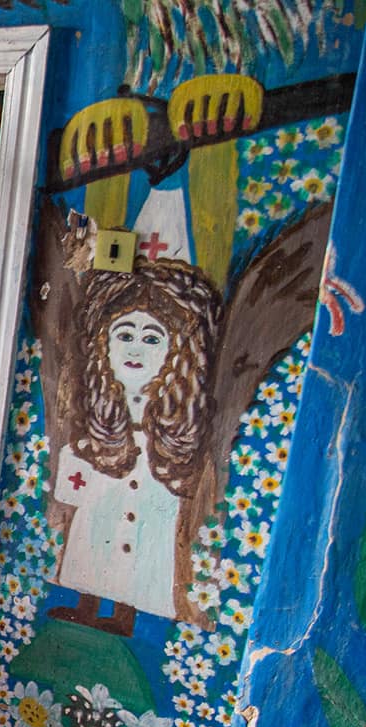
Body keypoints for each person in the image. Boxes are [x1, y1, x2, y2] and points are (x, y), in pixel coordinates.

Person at [49, 258, 222, 633]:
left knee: (141, 551)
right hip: (105, 479)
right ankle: (86, 604)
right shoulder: (100, 410)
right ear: (104, 344)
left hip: (150, 487)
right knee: (93, 538)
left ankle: (124, 614)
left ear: (176, 351)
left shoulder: (175, 421)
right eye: (125, 335)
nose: (136, 350)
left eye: (152, 339)